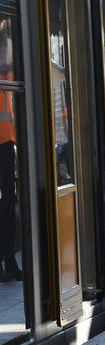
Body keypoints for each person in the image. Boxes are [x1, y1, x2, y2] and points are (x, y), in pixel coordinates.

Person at [0, 18, 21, 281]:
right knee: (7, 202)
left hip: (7, 141)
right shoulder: (5, 60)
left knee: (8, 203)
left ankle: (8, 261)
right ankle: (8, 262)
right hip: (5, 142)